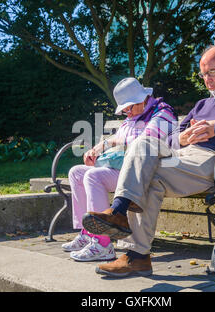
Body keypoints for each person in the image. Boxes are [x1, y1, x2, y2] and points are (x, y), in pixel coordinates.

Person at [82, 45, 215, 277]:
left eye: (211, 73)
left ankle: (119, 214)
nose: (207, 79)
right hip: (185, 159)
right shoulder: (203, 105)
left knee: (147, 172)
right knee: (146, 157)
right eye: (203, 75)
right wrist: (182, 138)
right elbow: (172, 138)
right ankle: (137, 256)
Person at [62, 77, 177, 262]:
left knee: (93, 176)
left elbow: (144, 143)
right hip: (126, 167)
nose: (126, 112)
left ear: (142, 99)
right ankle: (88, 233)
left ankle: (103, 244)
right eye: (123, 109)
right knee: (76, 173)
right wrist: (98, 149)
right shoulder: (133, 116)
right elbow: (117, 137)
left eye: (128, 107)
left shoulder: (162, 114)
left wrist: (113, 152)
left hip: (146, 173)